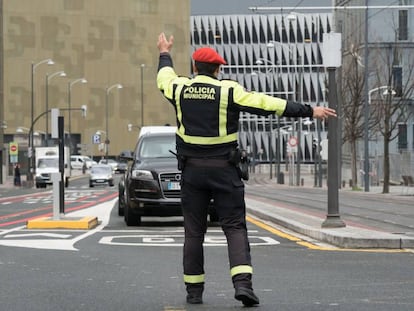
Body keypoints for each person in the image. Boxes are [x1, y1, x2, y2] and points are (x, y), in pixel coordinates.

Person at [156, 32, 337, 307]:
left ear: (194, 67)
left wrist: (164, 52)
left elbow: (163, 78)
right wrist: (309, 111)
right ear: (218, 69)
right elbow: (268, 104)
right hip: (224, 170)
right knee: (235, 227)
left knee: (193, 232)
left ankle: (194, 292)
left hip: (192, 172)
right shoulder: (229, 90)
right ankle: (243, 285)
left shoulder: (179, 88)